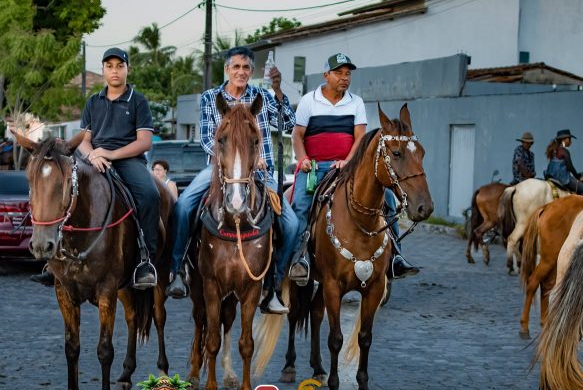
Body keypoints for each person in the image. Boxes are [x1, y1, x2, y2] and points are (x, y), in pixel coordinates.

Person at [165, 46, 299, 314]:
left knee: (292, 224)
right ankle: (177, 269)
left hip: (260, 172)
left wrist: (279, 91)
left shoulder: (262, 96)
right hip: (219, 170)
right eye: (236, 67)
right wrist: (234, 161)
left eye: (246, 67)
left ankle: (272, 286)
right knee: (182, 207)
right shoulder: (211, 98)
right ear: (227, 69)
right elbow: (206, 138)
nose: (241, 72)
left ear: (251, 71)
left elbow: (287, 125)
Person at [31, 47, 159, 290]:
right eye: (109, 66)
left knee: (150, 195)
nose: (115, 71)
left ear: (127, 69)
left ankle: (146, 261)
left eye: (119, 66)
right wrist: (92, 155)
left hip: (128, 159)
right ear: (103, 70)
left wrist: (110, 153)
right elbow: (85, 138)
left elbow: (144, 142)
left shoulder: (138, 100)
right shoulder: (93, 101)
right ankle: (54, 261)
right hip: (94, 159)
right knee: (66, 193)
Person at [288, 53, 419, 284]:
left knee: (387, 198)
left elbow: (359, 137)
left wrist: (348, 161)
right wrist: (302, 158)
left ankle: (396, 256)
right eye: (339, 73)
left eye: (348, 74)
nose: (344, 78)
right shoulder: (309, 100)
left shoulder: (355, 102)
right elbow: (297, 135)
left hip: (348, 166)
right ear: (326, 75)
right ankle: (300, 259)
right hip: (315, 166)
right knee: (300, 205)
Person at [545, 129, 583, 197]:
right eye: (569, 139)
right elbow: (570, 167)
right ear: (563, 140)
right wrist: (578, 177)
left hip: (551, 176)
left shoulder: (554, 150)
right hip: (563, 178)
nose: (571, 141)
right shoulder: (564, 151)